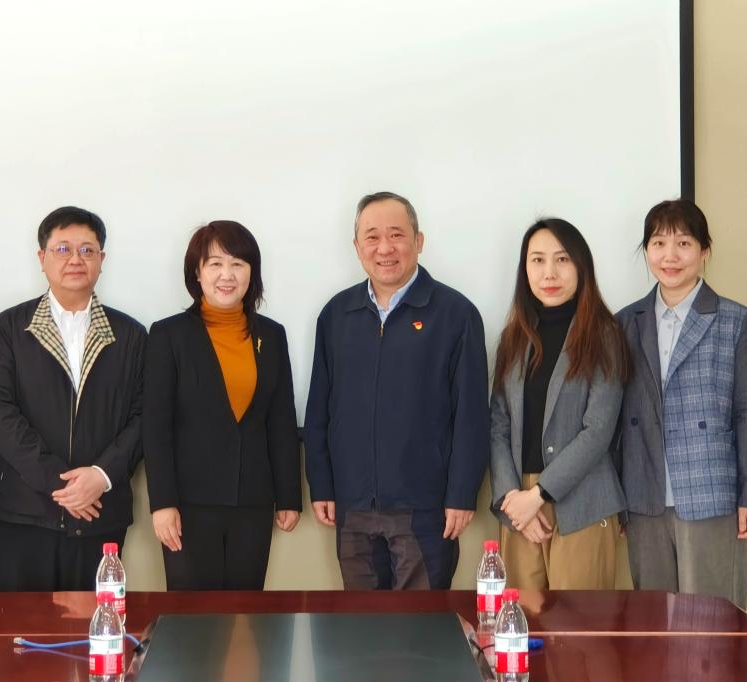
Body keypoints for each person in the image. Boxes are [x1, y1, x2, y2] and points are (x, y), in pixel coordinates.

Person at [304, 191, 489, 590]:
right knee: (361, 622)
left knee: (420, 624)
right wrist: (321, 484)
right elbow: (319, 408)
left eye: (396, 235)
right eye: (372, 237)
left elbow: (472, 417)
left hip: (424, 507)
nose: (384, 248)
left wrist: (461, 494)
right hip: (353, 505)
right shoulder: (336, 315)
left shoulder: (455, 314)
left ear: (418, 241)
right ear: (357, 248)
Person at [0, 206, 146, 591]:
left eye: (87, 250)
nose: (75, 259)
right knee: (21, 627)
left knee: (98, 624)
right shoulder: (10, 328)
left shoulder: (130, 335)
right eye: (63, 249)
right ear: (42, 258)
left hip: (100, 516)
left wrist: (101, 475)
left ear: (102, 259)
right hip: (25, 516)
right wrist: (62, 484)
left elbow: (144, 416)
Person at [617, 198, 747, 607]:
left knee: (712, 623)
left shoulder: (734, 319)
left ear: (704, 250)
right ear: (646, 250)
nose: (670, 256)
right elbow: (615, 417)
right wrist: (618, 501)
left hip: (711, 493)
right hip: (643, 494)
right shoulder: (625, 322)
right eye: (658, 243)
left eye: (683, 243)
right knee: (653, 623)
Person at [144, 220, 301, 590]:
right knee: (191, 615)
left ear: (252, 273)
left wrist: (289, 497)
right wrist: (162, 503)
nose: (226, 275)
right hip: (188, 505)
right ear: (197, 273)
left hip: (254, 502)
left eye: (238, 264)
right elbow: (156, 427)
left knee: (246, 614)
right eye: (215, 264)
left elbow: (280, 420)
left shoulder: (271, 335)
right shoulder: (168, 335)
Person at [489, 218, 631, 590]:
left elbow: (598, 430)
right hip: (519, 506)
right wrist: (512, 499)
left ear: (581, 266)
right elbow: (498, 425)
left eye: (562, 259)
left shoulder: (604, 335)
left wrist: (539, 495)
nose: (549, 272)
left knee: (579, 624)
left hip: (583, 499)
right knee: (519, 620)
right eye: (537, 260)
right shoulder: (513, 339)